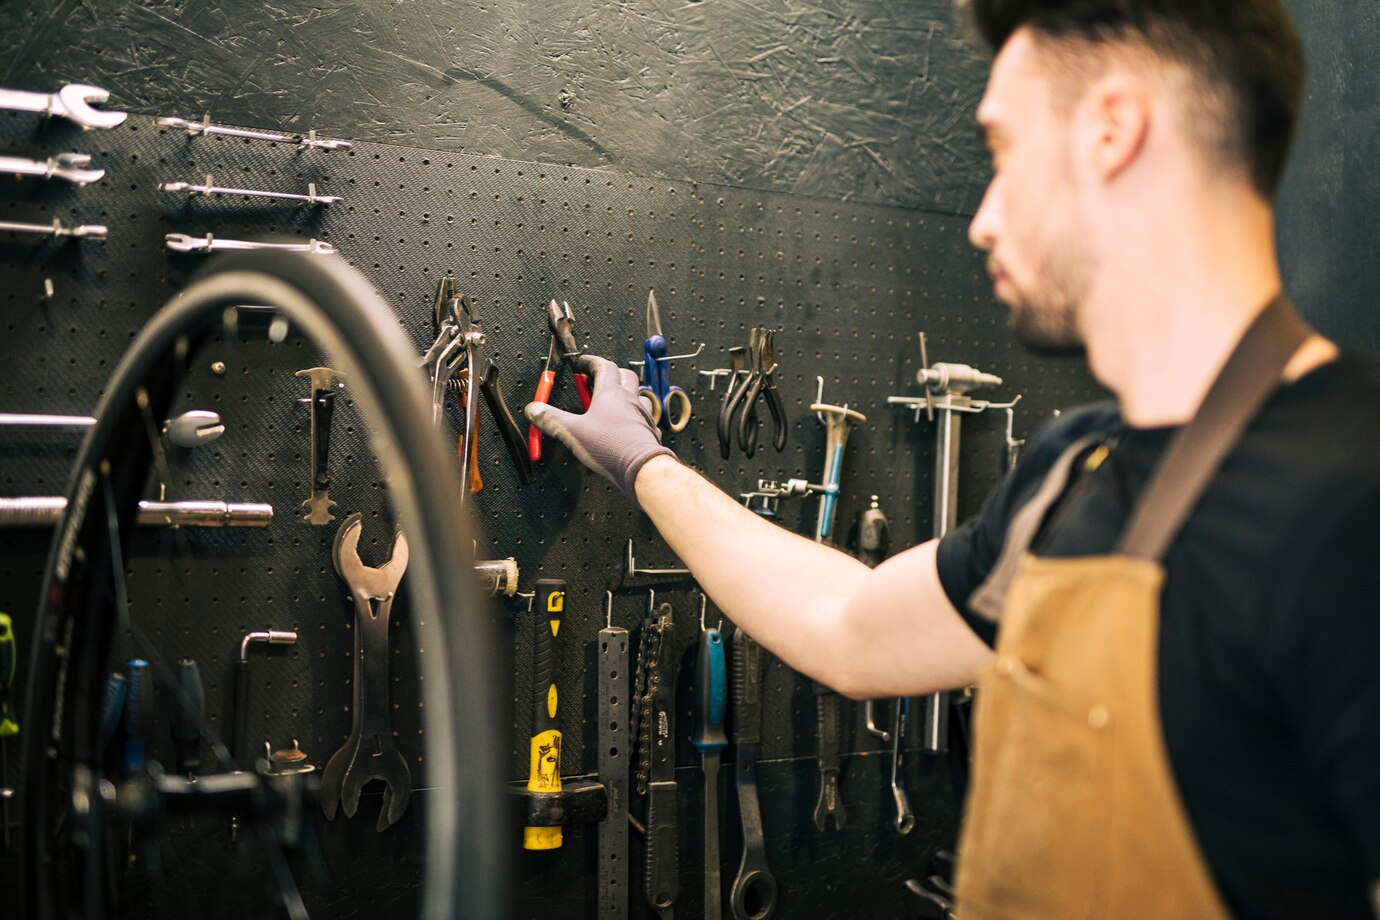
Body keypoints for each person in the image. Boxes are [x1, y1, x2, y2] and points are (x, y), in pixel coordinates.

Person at [526, 1, 1380, 917]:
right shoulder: (1070, 475)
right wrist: (644, 463)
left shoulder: (1352, 497)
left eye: (1005, 154)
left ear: (1113, 132)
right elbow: (848, 625)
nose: (981, 219)